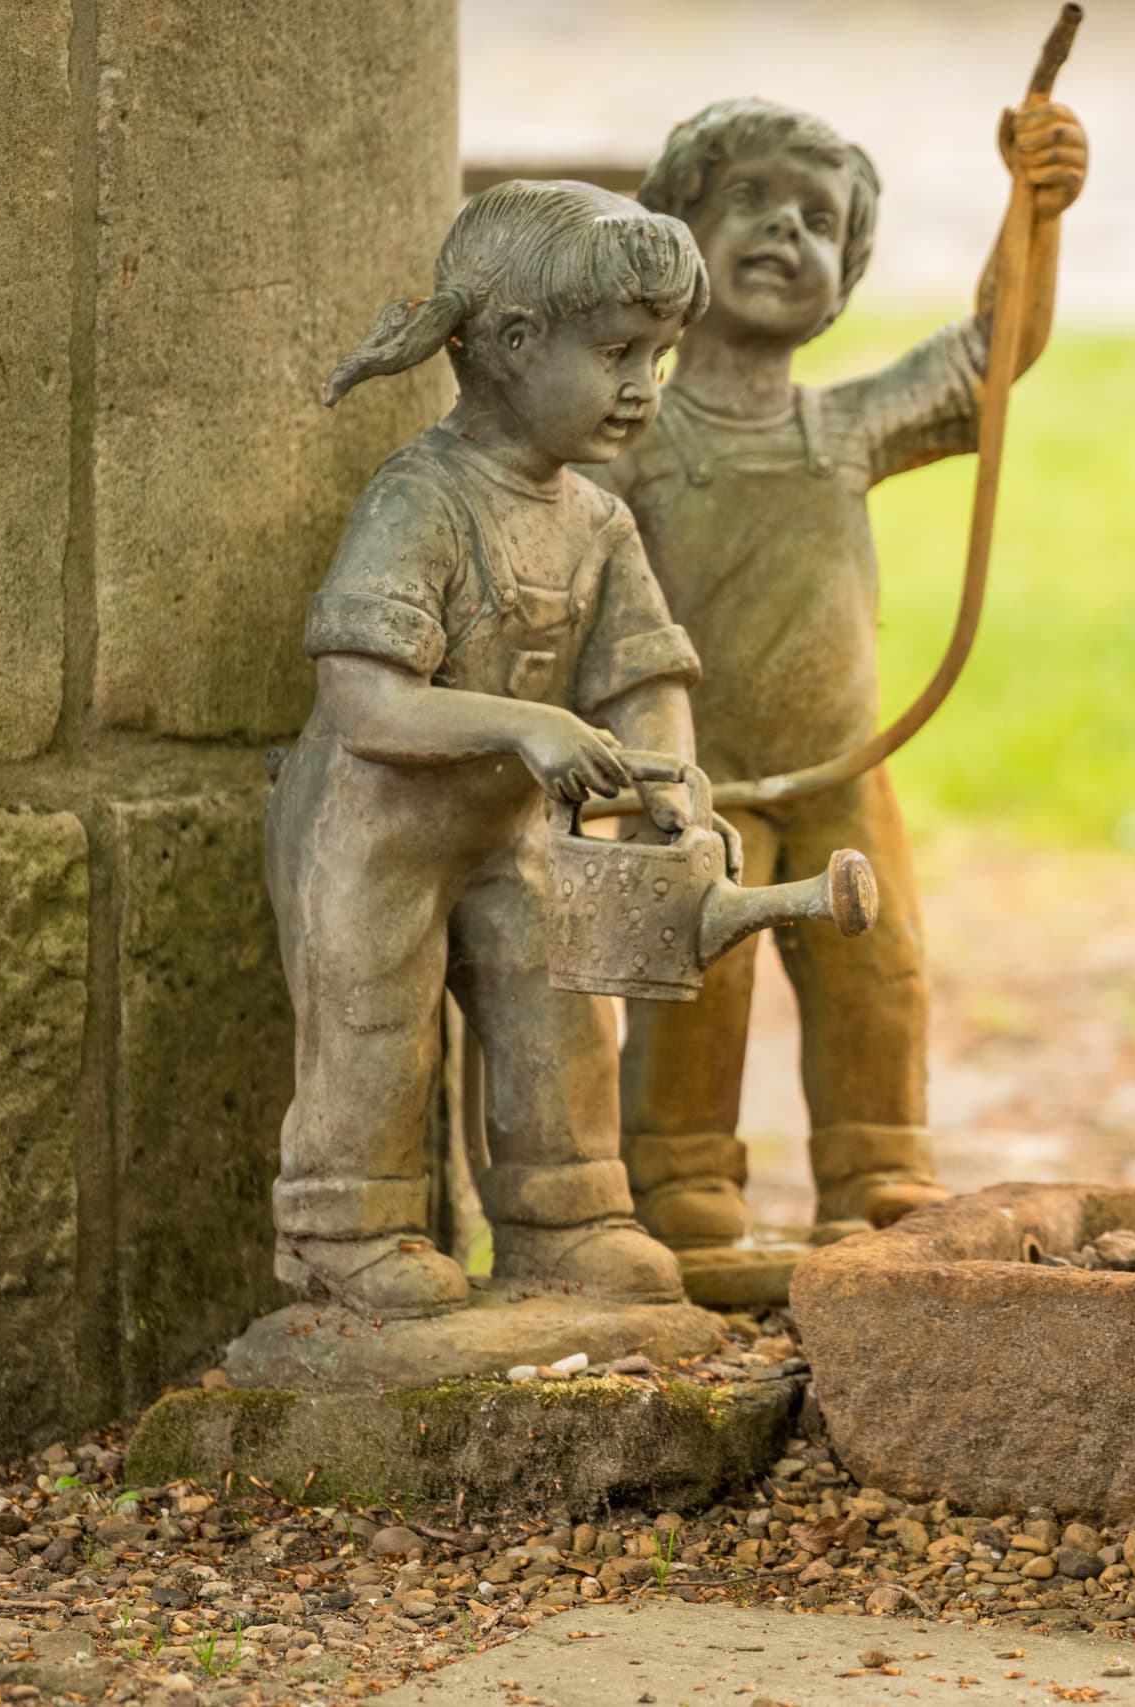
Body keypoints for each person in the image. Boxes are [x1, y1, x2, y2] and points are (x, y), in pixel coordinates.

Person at [594, 95, 1088, 1240]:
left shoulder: (846, 428)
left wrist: (1038, 209)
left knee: (877, 967)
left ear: (847, 273)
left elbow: (986, 356)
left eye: (819, 221)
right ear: (672, 236)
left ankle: (875, 1163)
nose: (784, 234)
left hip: (843, 771)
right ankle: (679, 1176)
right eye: (750, 203)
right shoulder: (634, 439)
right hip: (690, 781)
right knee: (692, 981)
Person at [268, 179, 714, 1316]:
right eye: (617, 351)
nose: (639, 389)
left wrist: (671, 786)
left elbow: (645, 675)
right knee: (375, 1027)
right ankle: (341, 1228)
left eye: (657, 359)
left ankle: (565, 1217)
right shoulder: (421, 499)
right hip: (372, 835)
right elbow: (367, 707)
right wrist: (528, 724)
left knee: (558, 1016)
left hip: (510, 831)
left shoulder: (597, 522)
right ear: (514, 343)